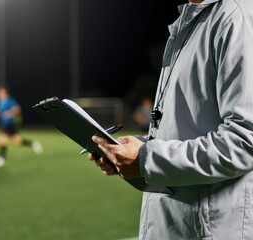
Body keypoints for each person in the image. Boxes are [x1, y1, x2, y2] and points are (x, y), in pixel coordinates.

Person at [89, 0, 253, 239]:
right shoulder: (194, 21)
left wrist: (147, 158)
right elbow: (186, 128)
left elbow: (245, 140)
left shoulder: (236, 16)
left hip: (210, 229)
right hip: (179, 224)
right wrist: (135, 150)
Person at [0, 86, 43, 168]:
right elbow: (0, 113)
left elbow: (17, 109)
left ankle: (1, 159)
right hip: (4, 125)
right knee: (17, 142)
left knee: (2, 139)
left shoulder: (10, 100)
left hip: (10, 124)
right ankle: (33, 144)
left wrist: (9, 113)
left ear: (4, 92)